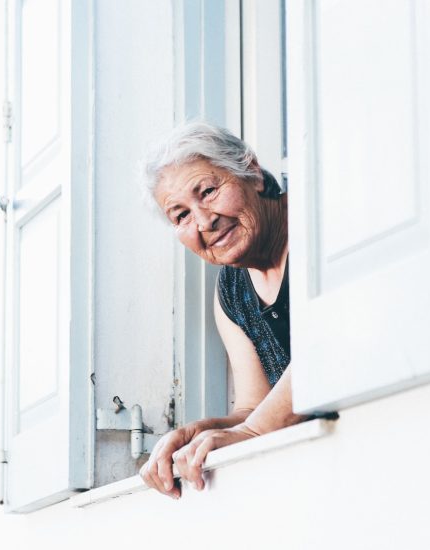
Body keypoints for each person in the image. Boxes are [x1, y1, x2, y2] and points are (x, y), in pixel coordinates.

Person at [139, 122, 306, 499]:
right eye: (181, 215)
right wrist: (191, 435)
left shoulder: (318, 225)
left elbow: (335, 337)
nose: (204, 221)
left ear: (253, 173)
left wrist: (254, 432)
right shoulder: (231, 293)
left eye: (209, 191)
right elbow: (253, 407)